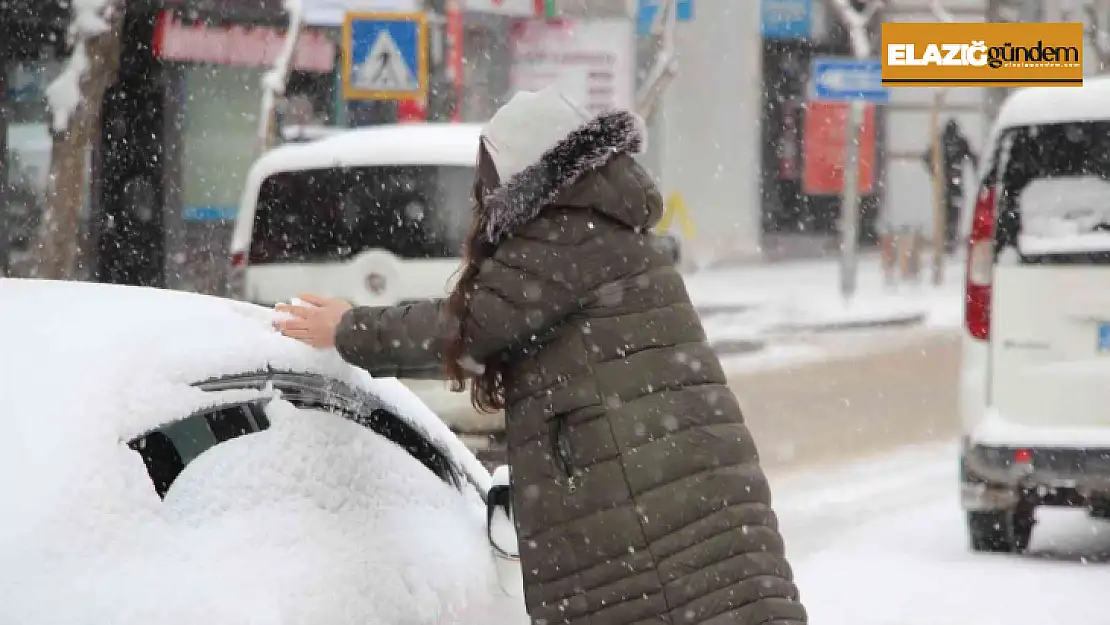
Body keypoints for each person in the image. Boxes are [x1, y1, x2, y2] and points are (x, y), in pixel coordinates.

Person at [276, 87, 807, 625]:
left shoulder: (565, 235)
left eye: (486, 181)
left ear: (519, 178)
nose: (481, 197)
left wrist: (348, 327)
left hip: (651, 544)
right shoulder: (613, 230)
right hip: (701, 523)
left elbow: (467, 327)